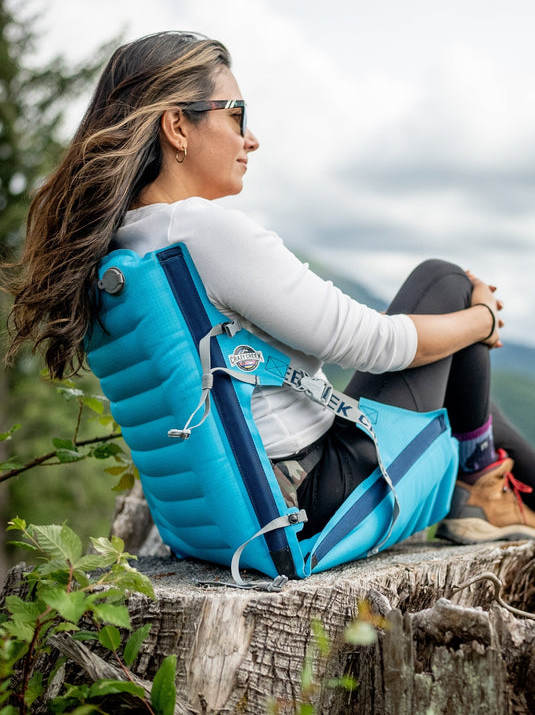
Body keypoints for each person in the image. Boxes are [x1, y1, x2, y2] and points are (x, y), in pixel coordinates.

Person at [5, 30, 535, 545]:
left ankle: (481, 473)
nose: (250, 138)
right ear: (177, 127)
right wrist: (483, 319)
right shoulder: (202, 233)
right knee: (443, 282)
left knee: (467, 382)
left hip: (231, 515)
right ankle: (481, 482)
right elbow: (374, 342)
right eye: (236, 115)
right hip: (316, 498)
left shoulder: (122, 251)